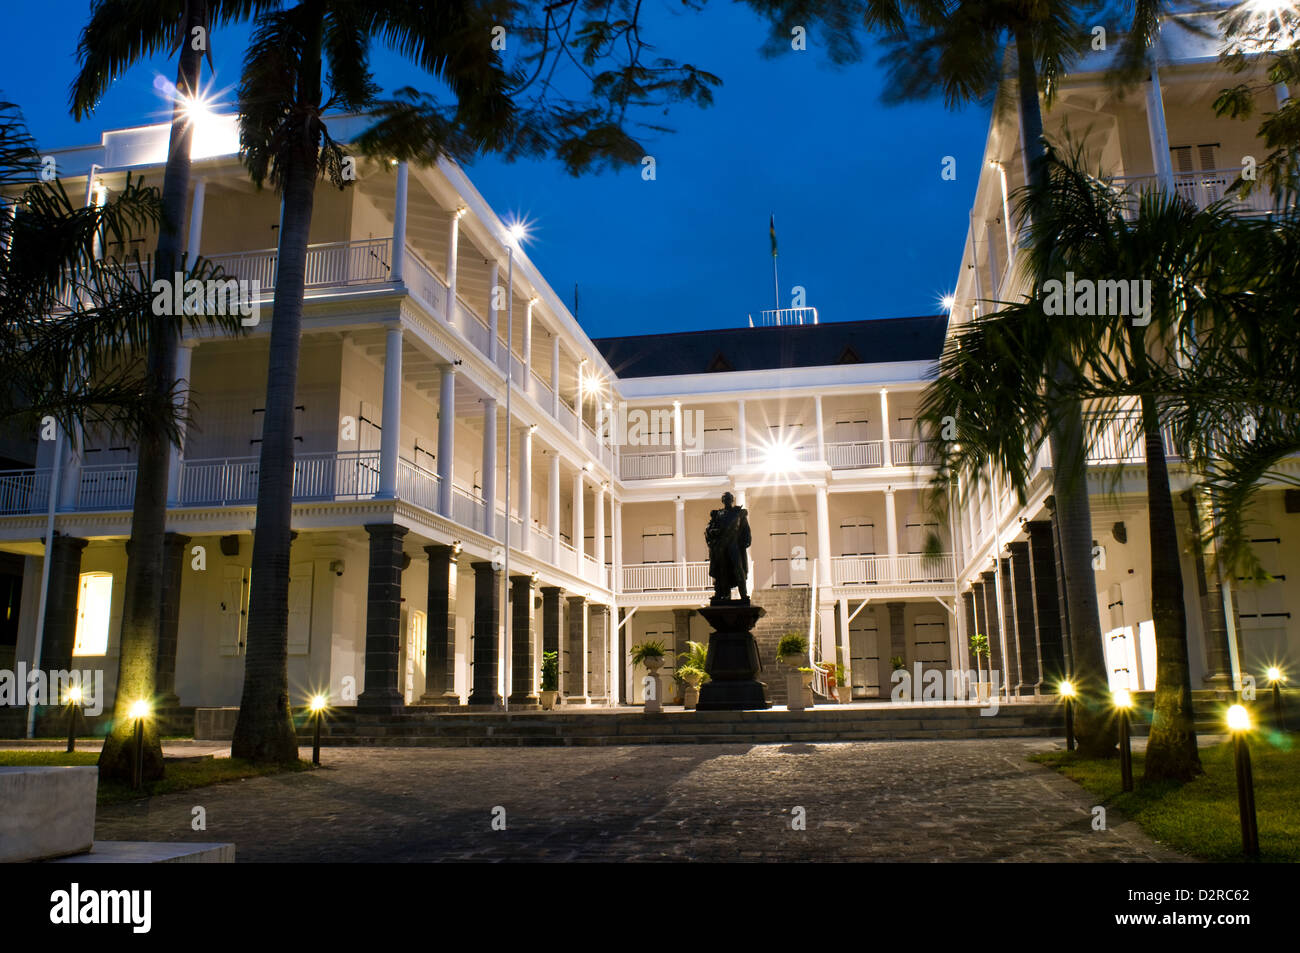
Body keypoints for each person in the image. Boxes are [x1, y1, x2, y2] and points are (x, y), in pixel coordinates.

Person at [705, 491, 751, 604]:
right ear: (722, 500)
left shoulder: (739, 513)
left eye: (729, 498)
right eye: (725, 498)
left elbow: (745, 529)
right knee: (722, 571)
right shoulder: (718, 514)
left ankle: (743, 594)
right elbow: (709, 529)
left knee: (738, 569)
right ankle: (725, 595)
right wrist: (714, 531)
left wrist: (746, 541)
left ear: (732, 499)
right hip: (721, 546)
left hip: (734, 545)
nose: (727, 500)